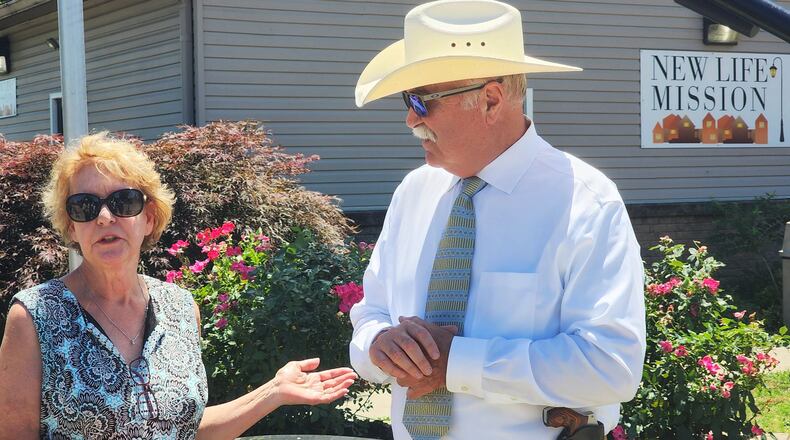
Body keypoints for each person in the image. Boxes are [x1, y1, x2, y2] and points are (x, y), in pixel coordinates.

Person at [349, 1, 646, 439]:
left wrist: (458, 363)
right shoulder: (414, 192)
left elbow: (610, 366)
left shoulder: (585, 200)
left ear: (490, 99)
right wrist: (377, 343)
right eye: (406, 100)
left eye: (421, 100)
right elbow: (372, 311)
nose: (410, 118)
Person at [0, 133, 357, 439]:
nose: (105, 217)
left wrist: (273, 392)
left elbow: (185, 429)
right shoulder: (34, 316)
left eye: (123, 202)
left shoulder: (181, 308)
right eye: (85, 206)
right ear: (71, 226)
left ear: (149, 217)